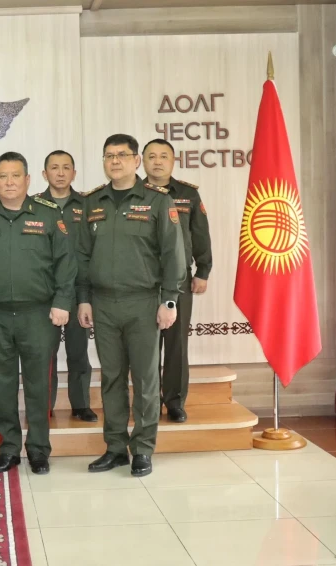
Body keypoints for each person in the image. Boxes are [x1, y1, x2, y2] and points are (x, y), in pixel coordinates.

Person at [76, 134, 185, 477]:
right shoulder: (92, 202)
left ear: (136, 161)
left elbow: (173, 254)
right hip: (103, 303)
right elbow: (82, 256)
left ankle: (142, 449)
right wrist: (83, 299)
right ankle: (115, 447)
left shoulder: (157, 201)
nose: (115, 161)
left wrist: (169, 300)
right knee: (111, 379)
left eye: (122, 155)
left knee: (145, 379)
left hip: (143, 302)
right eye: (109, 155)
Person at [0, 152, 76, 475]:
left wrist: (62, 302)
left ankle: (39, 449)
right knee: (1, 385)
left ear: (28, 180)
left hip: (38, 315)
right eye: (2, 176)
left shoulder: (49, 214)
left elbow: (66, 263)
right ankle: (9, 447)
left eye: (15, 176)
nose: (9, 182)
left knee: (39, 385)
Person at [142, 139, 212, 423]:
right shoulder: (134, 194)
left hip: (179, 279)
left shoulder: (187, 194)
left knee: (176, 344)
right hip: (143, 280)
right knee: (144, 345)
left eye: (163, 156)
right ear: (142, 161)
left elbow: (200, 233)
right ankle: (148, 401)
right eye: (151, 156)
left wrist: (203, 271)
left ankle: (174, 402)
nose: (157, 162)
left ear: (173, 161)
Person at [39, 150, 96, 422]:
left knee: (78, 352)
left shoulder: (87, 205)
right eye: (54, 167)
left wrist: (86, 295)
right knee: (44, 354)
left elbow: (91, 250)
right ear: (44, 174)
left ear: (74, 173)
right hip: (44, 293)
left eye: (65, 168)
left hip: (78, 292)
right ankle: (44, 406)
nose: (60, 173)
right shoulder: (35, 206)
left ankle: (81, 404)